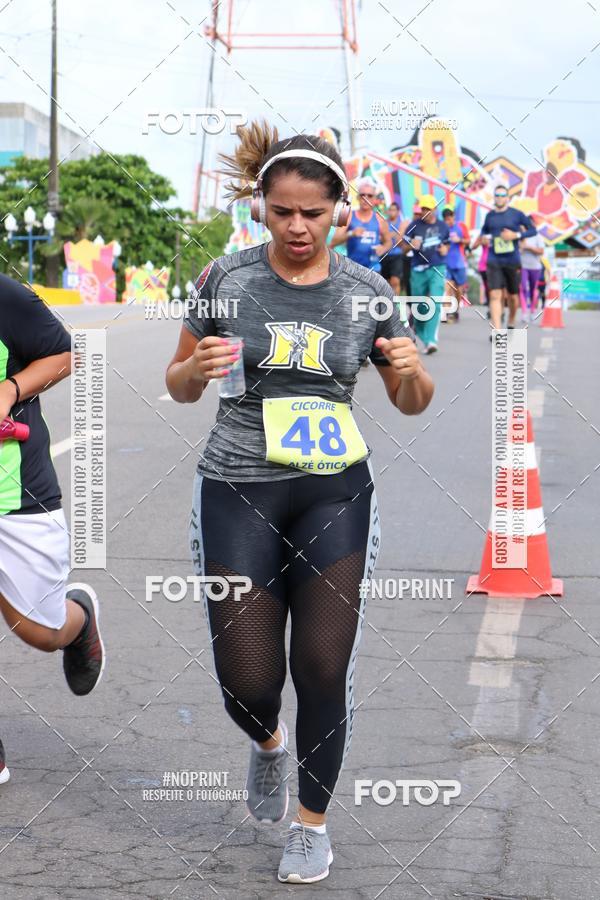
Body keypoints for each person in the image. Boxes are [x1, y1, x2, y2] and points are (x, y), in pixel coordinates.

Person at [165, 122, 434, 884]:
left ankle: (312, 825)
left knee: (321, 662)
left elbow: (412, 401)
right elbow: (179, 381)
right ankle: (267, 743)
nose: (295, 227)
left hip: (333, 488)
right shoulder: (228, 279)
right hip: (238, 484)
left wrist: (410, 369)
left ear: (337, 211)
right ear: (261, 206)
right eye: (280, 210)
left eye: (311, 213)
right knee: (248, 677)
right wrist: (199, 368)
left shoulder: (367, 293)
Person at [0, 276, 105, 785]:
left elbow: (64, 353)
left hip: (16, 493)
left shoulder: (4, 296)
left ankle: (77, 620)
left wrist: (10, 388)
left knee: (38, 632)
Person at [480, 185, 537, 334]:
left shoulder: (516, 214)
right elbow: (484, 232)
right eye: (497, 195)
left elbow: (533, 230)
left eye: (502, 195)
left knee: (512, 296)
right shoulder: (490, 216)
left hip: (512, 260)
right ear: (494, 197)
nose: (499, 197)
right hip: (494, 260)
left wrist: (516, 235)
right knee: (494, 295)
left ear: (507, 198)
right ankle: (497, 331)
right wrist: (484, 238)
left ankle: (511, 319)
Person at [400, 194, 450, 354]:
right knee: (419, 306)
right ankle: (421, 333)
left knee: (435, 303)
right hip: (418, 269)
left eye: (428, 209)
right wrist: (410, 245)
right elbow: (403, 247)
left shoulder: (443, 226)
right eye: (423, 209)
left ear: (435, 209)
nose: (425, 212)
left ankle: (431, 341)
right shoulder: (414, 225)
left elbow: (447, 246)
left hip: (437, 268)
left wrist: (445, 250)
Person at [330, 177, 392, 272]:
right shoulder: (348, 215)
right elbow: (334, 241)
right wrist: (351, 233)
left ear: (375, 199)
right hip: (352, 270)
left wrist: (383, 248)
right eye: (363, 195)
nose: (366, 199)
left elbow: (389, 242)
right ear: (358, 198)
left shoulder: (380, 219)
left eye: (370, 196)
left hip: (373, 270)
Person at [441, 207, 470, 323]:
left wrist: (460, 240)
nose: (448, 221)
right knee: (447, 287)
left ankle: (456, 310)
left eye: (450, 219)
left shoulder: (461, 226)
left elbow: (468, 240)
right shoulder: (443, 229)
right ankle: (446, 313)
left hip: (459, 263)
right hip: (446, 263)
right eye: (446, 220)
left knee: (458, 290)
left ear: (453, 217)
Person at [380, 201, 406, 294]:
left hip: (397, 255)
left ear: (398, 212)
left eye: (394, 210)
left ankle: (396, 304)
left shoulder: (402, 222)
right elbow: (382, 238)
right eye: (390, 210)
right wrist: (394, 234)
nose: (391, 212)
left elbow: (400, 238)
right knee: (386, 283)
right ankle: (387, 304)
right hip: (385, 254)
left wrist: (388, 235)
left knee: (395, 281)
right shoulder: (384, 222)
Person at [519, 231, 545, 322]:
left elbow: (541, 251)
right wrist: (521, 246)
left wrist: (529, 247)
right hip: (523, 267)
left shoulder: (537, 236)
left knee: (533, 290)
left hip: (535, 267)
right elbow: (517, 252)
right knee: (523, 288)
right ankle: (524, 313)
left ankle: (533, 311)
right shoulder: (519, 236)